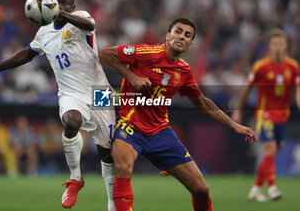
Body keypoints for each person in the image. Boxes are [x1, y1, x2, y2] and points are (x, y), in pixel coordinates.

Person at [0, 0, 116, 210]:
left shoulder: (81, 18)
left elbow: (91, 26)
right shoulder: (44, 32)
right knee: (71, 122)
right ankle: (76, 179)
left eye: (65, 3)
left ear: (72, 7)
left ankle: (112, 203)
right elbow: (26, 54)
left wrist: (62, 14)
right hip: (70, 92)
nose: (59, 6)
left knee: (107, 152)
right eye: (56, 2)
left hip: (100, 91)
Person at [99, 18, 257, 211]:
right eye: (178, 31)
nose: (181, 36)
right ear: (167, 36)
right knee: (124, 167)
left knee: (201, 189)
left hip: (160, 133)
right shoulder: (145, 53)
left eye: (187, 35)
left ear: (190, 44)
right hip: (130, 126)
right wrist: (133, 77)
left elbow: (202, 102)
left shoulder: (183, 71)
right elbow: (105, 54)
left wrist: (234, 125)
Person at [232, 28, 300, 201]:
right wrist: (238, 110)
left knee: (271, 154)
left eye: (280, 44)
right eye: (274, 44)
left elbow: (297, 91)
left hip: (282, 116)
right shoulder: (261, 66)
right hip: (265, 115)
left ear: (285, 45)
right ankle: (272, 188)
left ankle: (255, 188)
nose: (277, 47)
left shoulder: (292, 67)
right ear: (270, 46)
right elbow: (246, 90)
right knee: (269, 150)